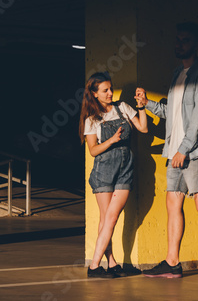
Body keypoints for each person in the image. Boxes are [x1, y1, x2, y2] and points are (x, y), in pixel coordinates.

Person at [137, 22, 198, 280]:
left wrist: (182, 150)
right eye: (178, 40)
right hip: (175, 152)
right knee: (172, 204)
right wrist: (147, 105)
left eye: (185, 40)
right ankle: (172, 262)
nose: (180, 44)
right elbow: (172, 114)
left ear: (196, 44)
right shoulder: (177, 74)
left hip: (196, 153)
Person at [79, 72, 148, 278]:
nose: (110, 93)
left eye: (111, 89)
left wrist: (142, 106)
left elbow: (143, 128)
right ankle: (102, 264)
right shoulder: (92, 119)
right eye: (105, 90)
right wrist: (112, 140)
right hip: (104, 169)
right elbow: (93, 150)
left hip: (125, 168)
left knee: (111, 216)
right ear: (94, 94)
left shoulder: (123, 108)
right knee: (107, 218)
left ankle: (103, 263)